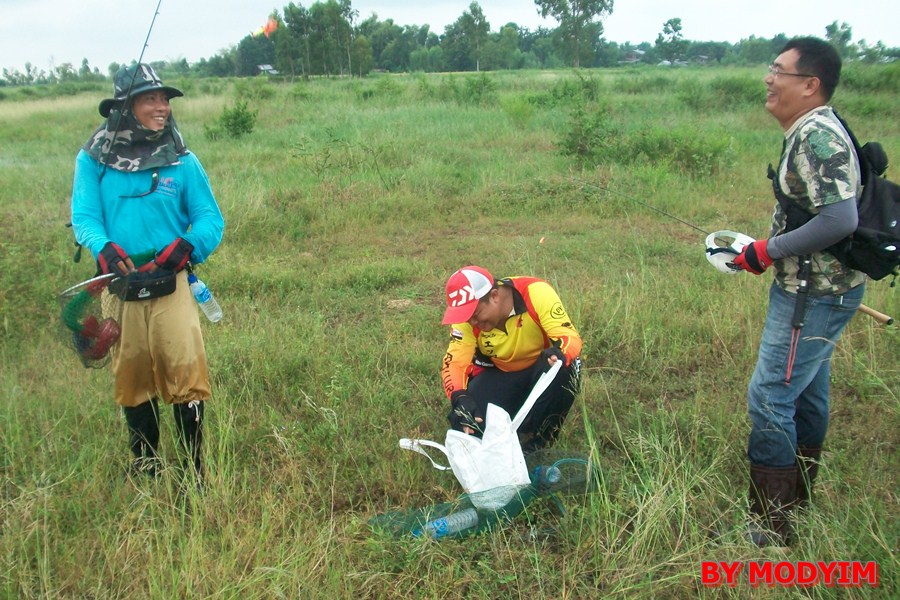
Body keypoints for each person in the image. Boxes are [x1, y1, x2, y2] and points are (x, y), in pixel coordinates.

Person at [733, 37, 866, 546]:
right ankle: (800, 498)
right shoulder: (813, 129)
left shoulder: (816, 135)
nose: (769, 78)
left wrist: (766, 250)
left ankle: (771, 524)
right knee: (807, 391)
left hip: (811, 296)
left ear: (810, 85)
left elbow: (840, 219)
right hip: (820, 291)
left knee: (769, 397)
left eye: (779, 71)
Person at [71, 63, 225, 484]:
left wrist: (190, 244)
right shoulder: (93, 160)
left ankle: (195, 472)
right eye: (150, 99)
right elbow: (83, 215)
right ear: (124, 106)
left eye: (165, 99)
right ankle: (148, 468)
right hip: (119, 289)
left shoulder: (182, 160)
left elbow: (211, 219)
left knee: (186, 376)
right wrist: (101, 246)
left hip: (172, 284)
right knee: (132, 379)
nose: (162, 107)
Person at [440, 266, 583, 453]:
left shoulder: (535, 292)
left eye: (476, 315)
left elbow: (569, 337)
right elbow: (454, 361)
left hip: (541, 369)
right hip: (501, 372)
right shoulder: (466, 317)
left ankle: (542, 441)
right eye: (467, 318)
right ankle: (518, 419)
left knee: (565, 366)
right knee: (472, 423)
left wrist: (561, 353)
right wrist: (459, 397)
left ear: (494, 296)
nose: (472, 323)